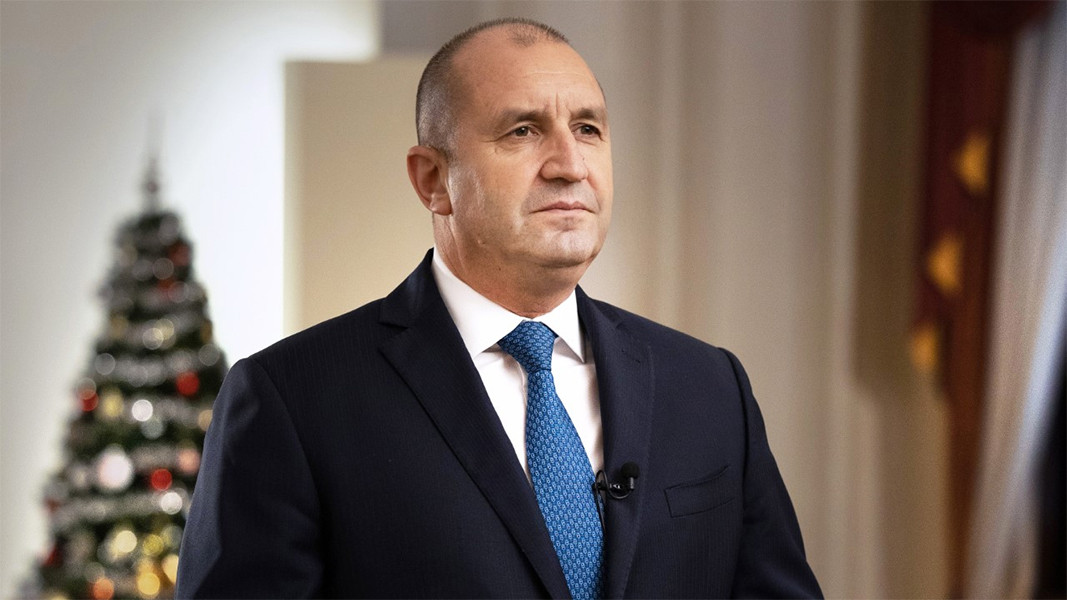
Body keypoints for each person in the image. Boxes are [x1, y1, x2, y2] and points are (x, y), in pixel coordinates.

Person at [176, 18, 822, 599]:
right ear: (433, 180)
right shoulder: (292, 398)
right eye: (523, 131)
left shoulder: (709, 386)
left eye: (588, 129)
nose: (570, 165)